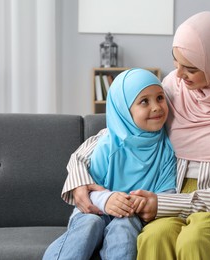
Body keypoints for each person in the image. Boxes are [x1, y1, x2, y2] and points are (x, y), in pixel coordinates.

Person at [64, 11, 210, 260]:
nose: (179, 74)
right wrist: (78, 178)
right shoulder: (173, 88)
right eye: (176, 63)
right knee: (153, 237)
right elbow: (120, 132)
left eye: (191, 68)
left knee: (196, 239)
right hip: (172, 204)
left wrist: (165, 204)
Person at [43, 68, 176, 260]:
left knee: (125, 225)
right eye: (144, 101)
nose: (156, 107)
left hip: (132, 215)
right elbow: (88, 190)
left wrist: (144, 202)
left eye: (160, 98)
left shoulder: (166, 149)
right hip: (94, 210)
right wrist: (107, 200)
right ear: (123, 109)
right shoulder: (108, 145)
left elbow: (167, 193)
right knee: (90, 224)